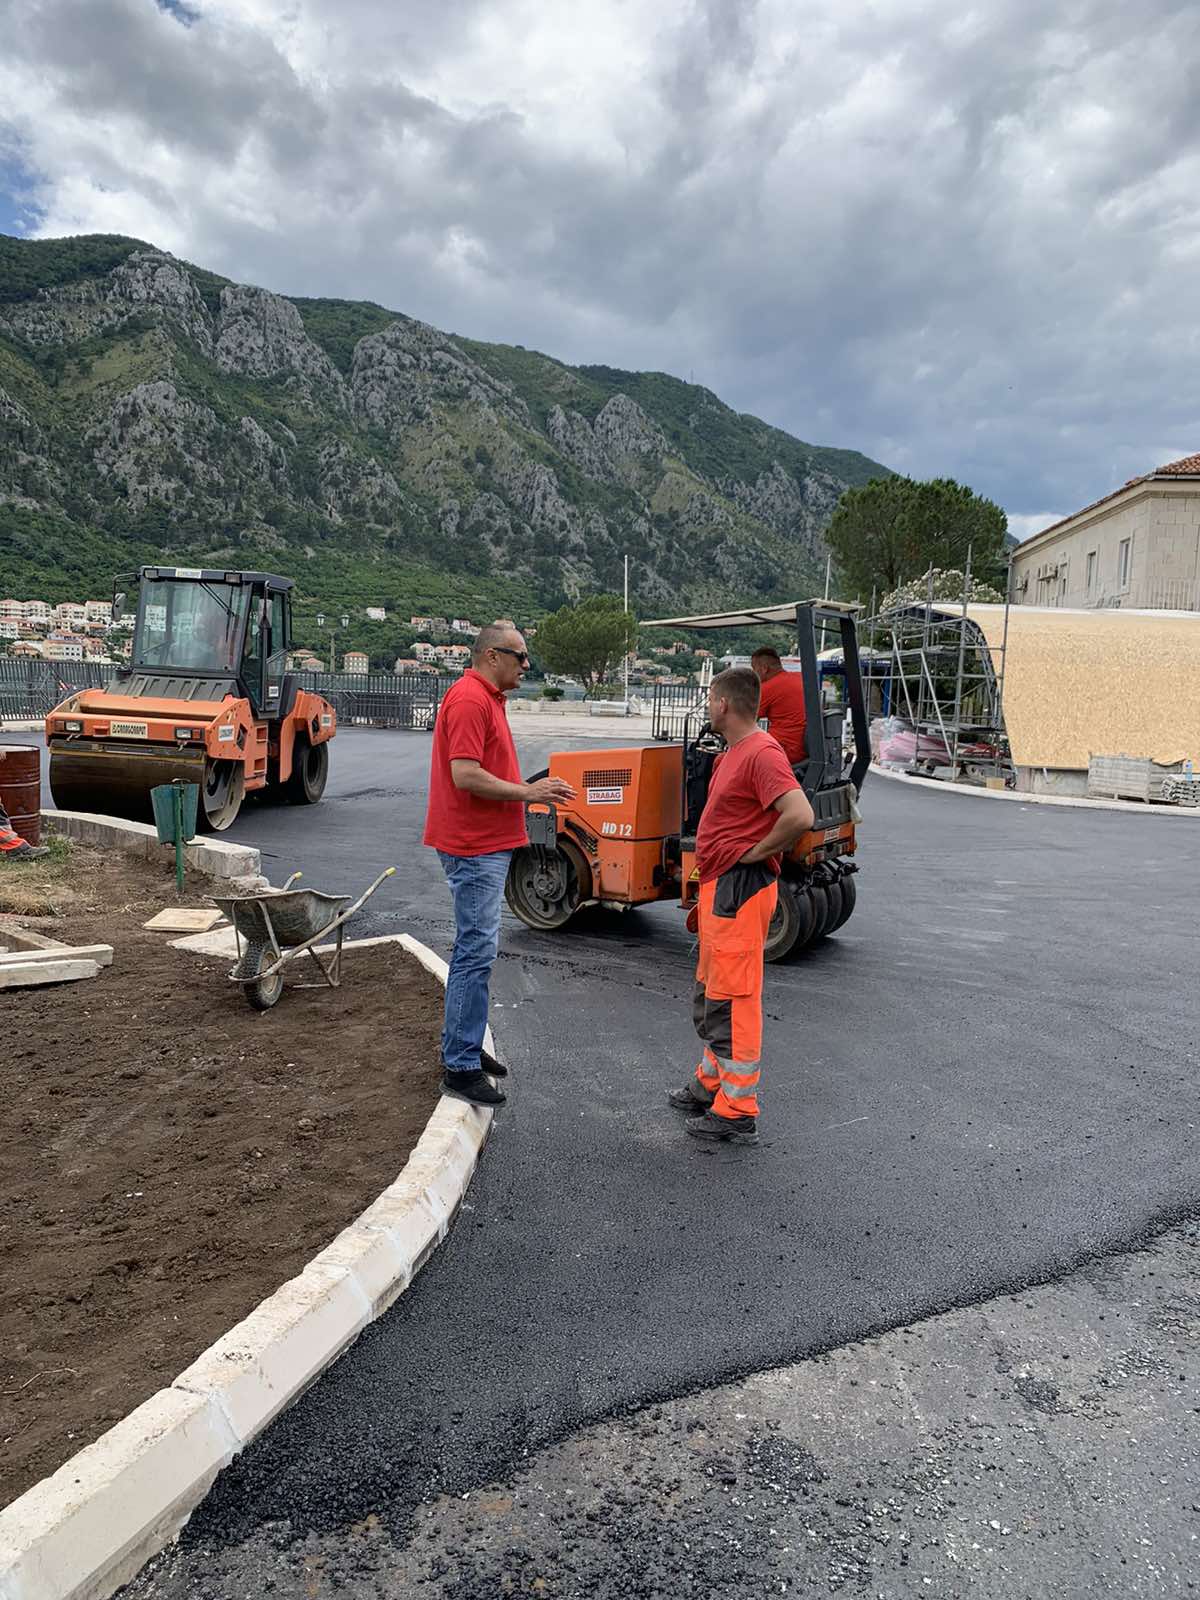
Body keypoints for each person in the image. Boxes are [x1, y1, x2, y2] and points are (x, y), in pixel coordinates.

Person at [424, 622, 575, 1107]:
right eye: (520, 655)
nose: (526, 665)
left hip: (485, 844)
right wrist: (529, 792)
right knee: (475, 951)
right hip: (473, 847)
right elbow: (465, 775)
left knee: (479, 951)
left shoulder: (486, 698)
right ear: (491, 655)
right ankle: (460, 1063)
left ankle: (464, 1045)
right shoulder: (470, 700)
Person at [668, 667, 814, 1144]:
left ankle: (737, 1107)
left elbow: (800, 815)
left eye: (710, 698)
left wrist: (755, 852)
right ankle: (712, 1083)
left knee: (734, 997)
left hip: (740, 886)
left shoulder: (761, 753)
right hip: (721, 888)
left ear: (724, 704)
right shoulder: (734, 752)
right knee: (714, 989)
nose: (708, 706)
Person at [750, 646, 808, 763]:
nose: (753, 674)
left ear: (764, 669)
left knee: (721, 760)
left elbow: (746, 722)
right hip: (805, 749)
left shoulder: (767, 688)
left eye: (754, 669)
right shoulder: (800, 678)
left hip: (782, 750)